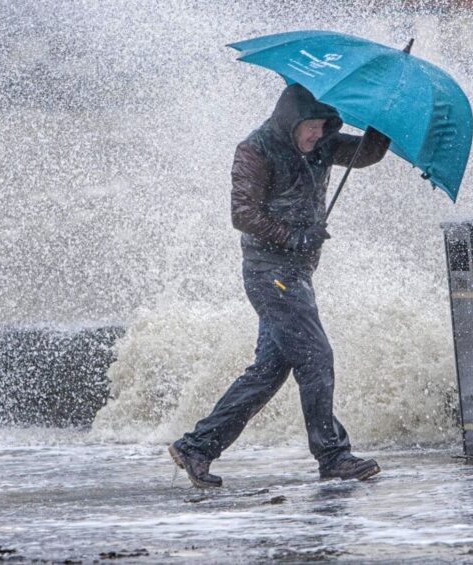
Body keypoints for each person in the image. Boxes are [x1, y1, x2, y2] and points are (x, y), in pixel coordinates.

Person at [169, 83, 390, 488]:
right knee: (316, 355)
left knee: (269, 370)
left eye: (325, 126)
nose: (317, 134)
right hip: (268, 272)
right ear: (291, 120)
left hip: (298, 274)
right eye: (310, 126)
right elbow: (242, 214)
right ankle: (333, 455)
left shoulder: (322, 143)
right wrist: (293, 237)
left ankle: (197, 446)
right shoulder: (255, 149)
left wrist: (383, 122)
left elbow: (367, 154)